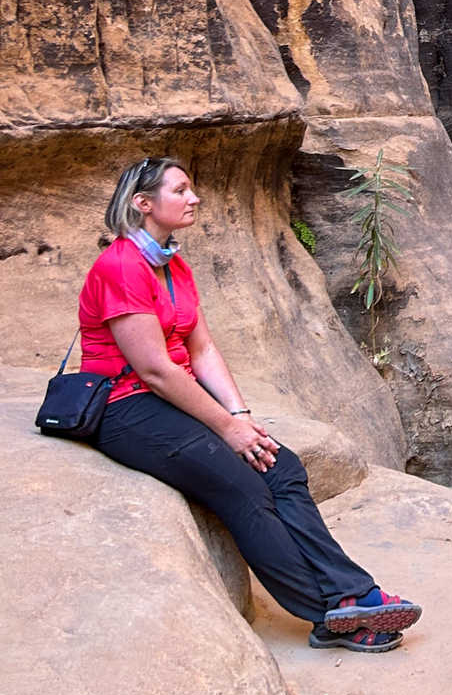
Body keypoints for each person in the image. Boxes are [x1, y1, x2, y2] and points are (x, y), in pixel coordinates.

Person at [80, 155, 422, 654]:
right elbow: (153, 369)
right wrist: (226, 429)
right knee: (243, 487)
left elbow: (202, 350)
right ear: (143, 203)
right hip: (125, 407)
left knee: (279, 466)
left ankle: (354, 595)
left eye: (190, 189)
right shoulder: (121, 267)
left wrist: (240, 417)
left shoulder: (171, 263)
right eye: (180, 191)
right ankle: (329, 613)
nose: (194, 198)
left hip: (170, 397)